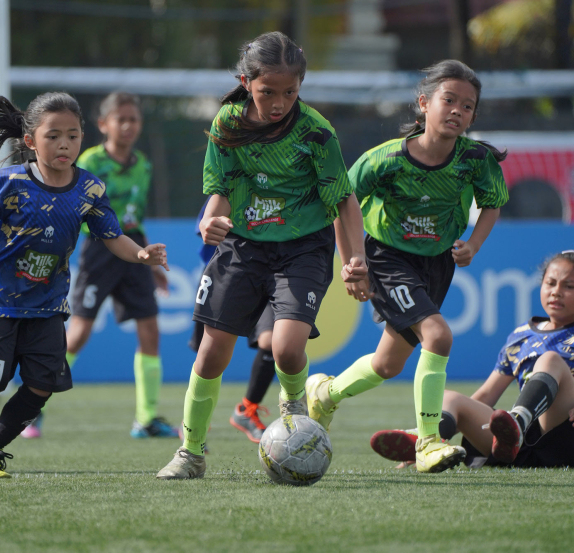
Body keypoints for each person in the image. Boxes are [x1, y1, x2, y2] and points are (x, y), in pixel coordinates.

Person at [0, 93, 169, 479]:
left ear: (83, 136)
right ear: (30, 141)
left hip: (48, 304)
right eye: (53, 136)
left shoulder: (90, 189)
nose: (64, 144)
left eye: (72, 135)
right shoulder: (8, 182)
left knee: (41, 385)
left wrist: (140, 256)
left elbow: (112, 234)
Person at [156, 31, 368, 480]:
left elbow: (344, 200)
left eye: (289, 92)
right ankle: (190, 452)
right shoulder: (227, 124)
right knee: (211, 354)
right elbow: (219, 193)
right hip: (245, 246)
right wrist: (208, 222)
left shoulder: (315, 131)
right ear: (245, 81)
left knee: (288, 350)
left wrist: (356, 259)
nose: (278, 102)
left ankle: (293, 413)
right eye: (267, 91)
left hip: (304, 247)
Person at [305, 60, 510, 473]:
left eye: (467, 106)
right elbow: (341, 206)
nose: (457, 110)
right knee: (438, 334)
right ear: (424, 103)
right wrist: (353, 264)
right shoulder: (383, 161)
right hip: (387, 258)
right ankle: (428, 443)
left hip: (436, 264)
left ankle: (326, 393)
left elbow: (492, 205)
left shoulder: (475, 159)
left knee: (388, 364)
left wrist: (472, 243)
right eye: (448, 100)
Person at [33, 91, 174, 440]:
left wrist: (151, 262)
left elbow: (134, 217)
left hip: (134, 251)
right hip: (99, 250)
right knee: (78, 333)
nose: (128, 126)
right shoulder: (90, 163)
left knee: (150, 330)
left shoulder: (143, 165)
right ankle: (33, 408)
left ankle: (146, 418)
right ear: (103, 124)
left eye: (134, 119)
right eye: (120, 119)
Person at [371, 251, 574, 468]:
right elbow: (486, 395)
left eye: (569, 286)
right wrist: (461, 415)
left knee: (550, 360)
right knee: (451, 398)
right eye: (550, 283)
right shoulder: (521, 335)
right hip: (518, 446)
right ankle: (428, 441)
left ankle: (517, 422)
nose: (556, 292)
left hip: (563, 438)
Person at [189, 199, 276, 445]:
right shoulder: (232, 180)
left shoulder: (286, 183)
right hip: (226, 271)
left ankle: (247, 409)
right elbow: (205, 228)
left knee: (272, 342)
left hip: (272, 271)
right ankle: (195, 431)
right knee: (208, 355)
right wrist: (213, 223)